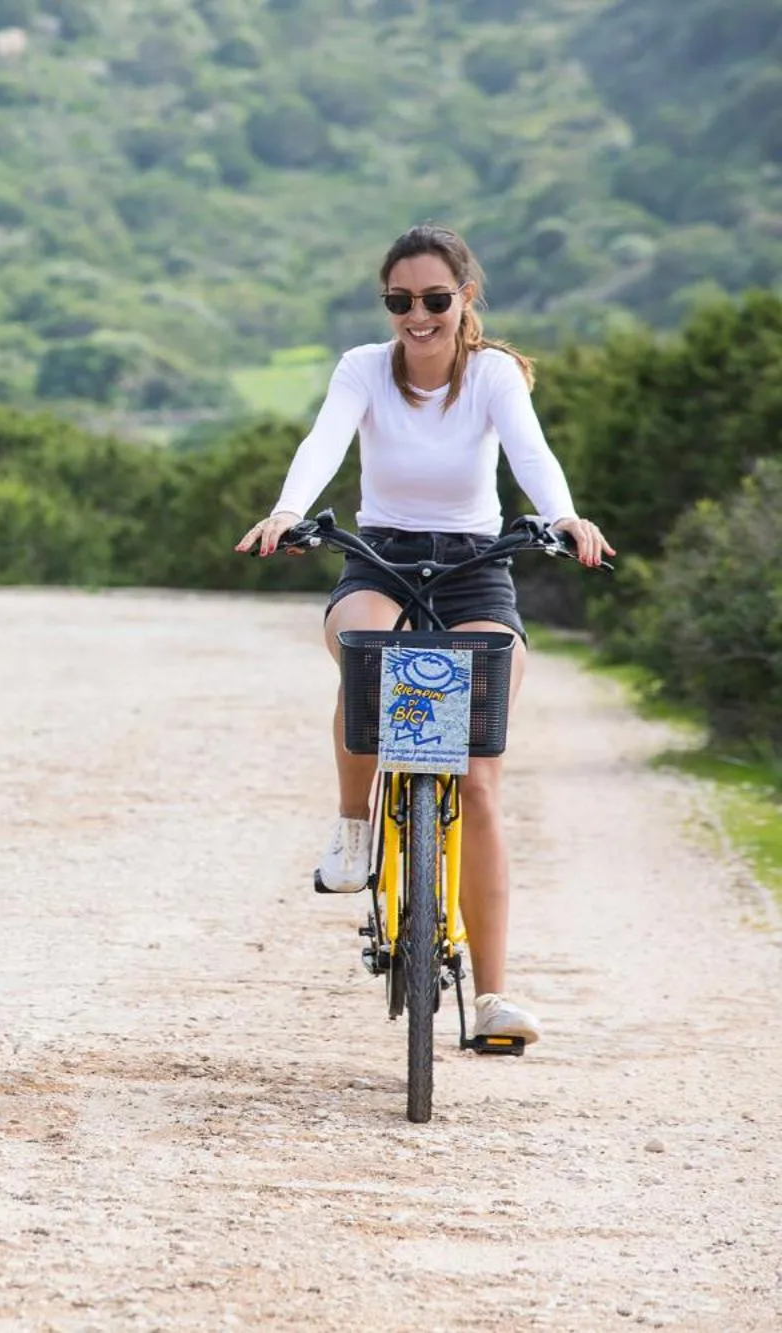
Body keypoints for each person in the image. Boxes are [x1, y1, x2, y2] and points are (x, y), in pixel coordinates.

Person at [236, 223, 614, 1045]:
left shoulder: (494, 376)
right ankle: (353, 829)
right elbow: (322, 441)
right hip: (381, 557)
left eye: (435, 300)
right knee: (364, 662)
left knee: (479, 776)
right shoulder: (363, 370)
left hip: (478, 565)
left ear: (465, 299)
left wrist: (563, 516)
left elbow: (532, 452)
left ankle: (494, 998)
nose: (418, 315)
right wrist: (288, 512)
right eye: (400, 301)